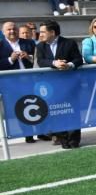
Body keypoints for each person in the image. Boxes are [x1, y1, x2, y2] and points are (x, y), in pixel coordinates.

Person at [34, 19, 84, 148]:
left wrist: (69, 65)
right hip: (52, 87)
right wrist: (54, 63)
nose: (41, 34)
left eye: (43, 32)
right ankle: (63, 140)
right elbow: (41, 61)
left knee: (72, 111)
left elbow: (78, 59)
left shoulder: (69, 43)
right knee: (57, 112)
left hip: (70, 84)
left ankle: (74, 140)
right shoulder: (40, 46)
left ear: (52, 32)